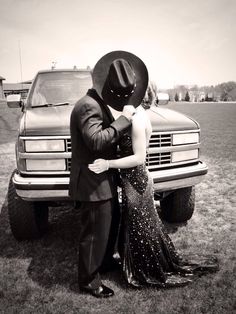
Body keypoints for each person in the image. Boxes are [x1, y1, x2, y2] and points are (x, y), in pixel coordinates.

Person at [89, 80, 219, 288]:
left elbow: (139, 157)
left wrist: (108, 164)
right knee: (142, 226)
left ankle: (145, 268)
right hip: (134, 179)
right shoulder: (134, 114)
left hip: (136, 181)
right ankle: (137, 262)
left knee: (141, 228)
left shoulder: (138, 119)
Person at [69, 50, 148, 297]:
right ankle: (89, 282)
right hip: (92, 182)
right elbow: (95, 141)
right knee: (93, 233)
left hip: (102, 178)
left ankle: (103, 263)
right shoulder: (88, 106)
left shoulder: (95, 102)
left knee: (106, 225)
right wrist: (123, 121)